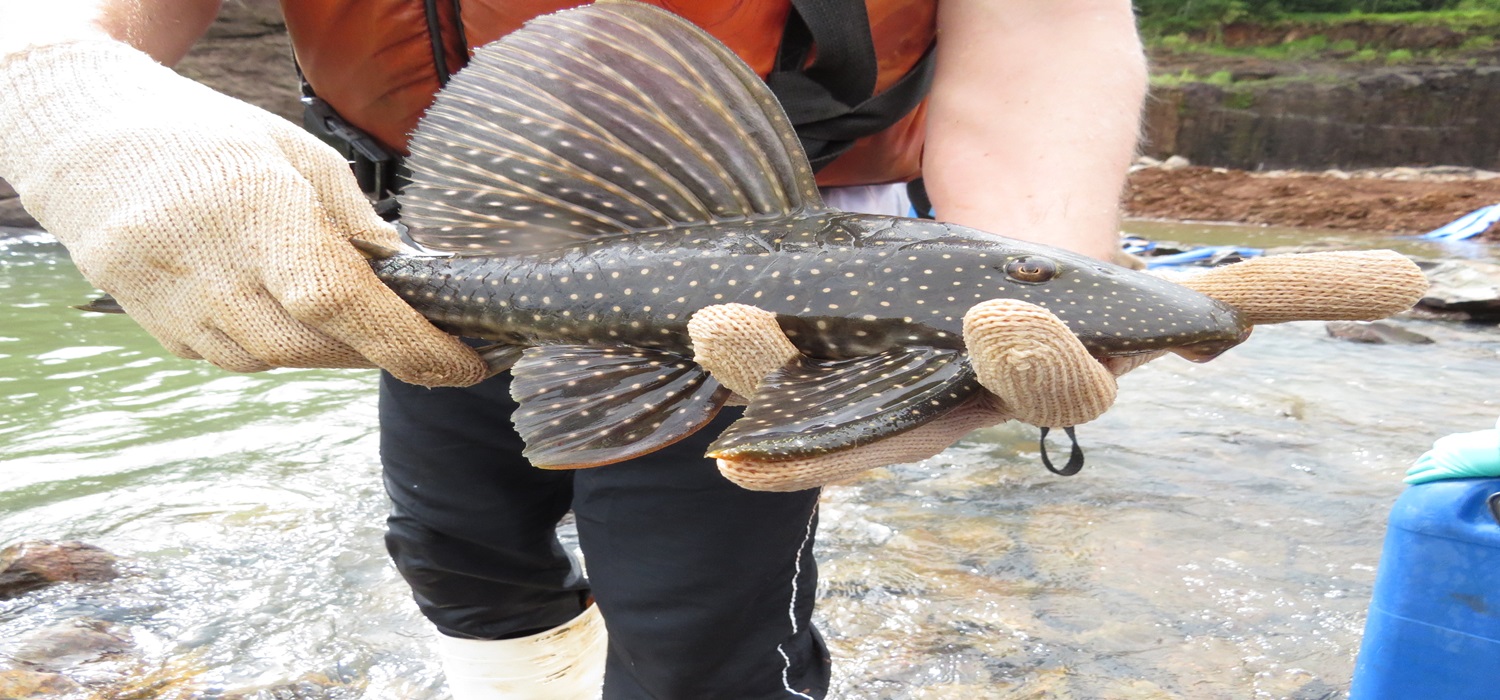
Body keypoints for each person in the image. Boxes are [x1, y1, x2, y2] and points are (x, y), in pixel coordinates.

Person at [0, 1, 1148, 697]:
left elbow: (1045, 29)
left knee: (697, 636)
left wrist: (1033, 282)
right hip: (460, 235)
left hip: (783, 286)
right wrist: (57, 78)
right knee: (457, 547)